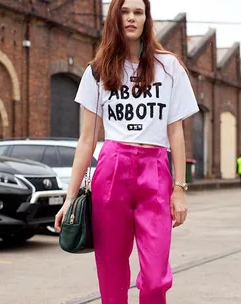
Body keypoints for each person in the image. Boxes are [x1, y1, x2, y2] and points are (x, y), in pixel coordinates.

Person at [54, 0, 199, 303]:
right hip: (112, 169)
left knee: (157, 279)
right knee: (112, 272)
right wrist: (70, 197)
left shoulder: (168, 67)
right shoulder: (97, 71)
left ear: (147, 18)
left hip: (155, 171)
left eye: (138, 12)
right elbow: (86, 140)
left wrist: (179, 188)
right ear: (114, 18)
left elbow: (176, 131)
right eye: (125, 11)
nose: (131, 18)